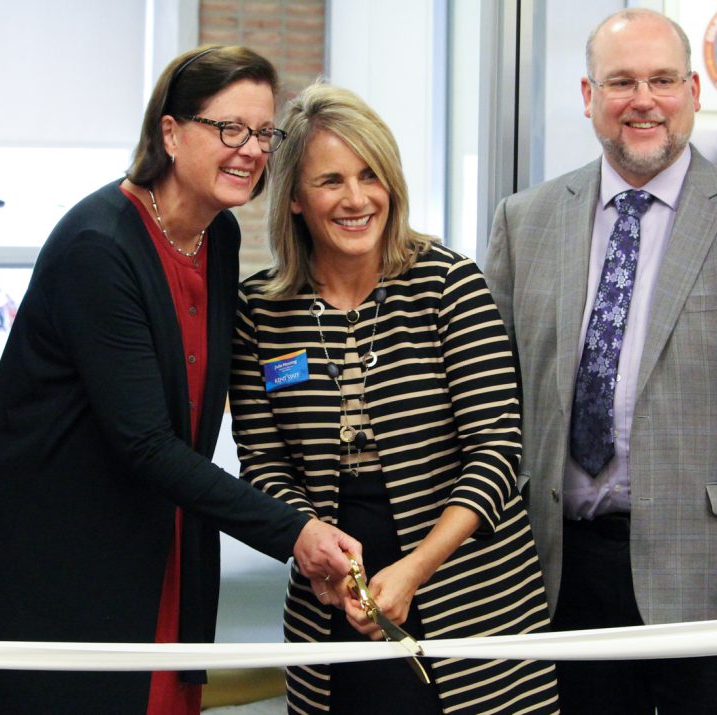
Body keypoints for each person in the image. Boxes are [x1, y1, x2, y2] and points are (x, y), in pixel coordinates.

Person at [0, 46, 361, 715]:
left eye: (263, 132)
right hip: (51, 548)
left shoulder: (216, 235)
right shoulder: (99, 247)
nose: (251, 149)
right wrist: (296, 531)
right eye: (229, 128)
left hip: (156, 530)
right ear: (170, 132)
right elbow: (144, 441)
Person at [484, 9, 717, 714]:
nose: (643, 99)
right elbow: (494, 400)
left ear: (694, 91)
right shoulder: (526, 221)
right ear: (588, 96)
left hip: (711, 583)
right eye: (621, 81)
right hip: (558, 574)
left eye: (662, 80)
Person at [229, 82, 560, 714]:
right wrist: (310, 540)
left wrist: (416, 569)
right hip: (331, 590)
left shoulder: (449, 284)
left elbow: (498, 451)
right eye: (330, 181)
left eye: (370, 175)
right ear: (295, 198)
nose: (356, 199)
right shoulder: (260, 310)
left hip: (468, 584)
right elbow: (264, 464)